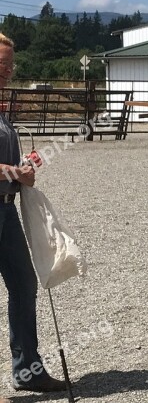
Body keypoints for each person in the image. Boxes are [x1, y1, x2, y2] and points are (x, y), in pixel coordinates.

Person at [0, 33, 66, 398]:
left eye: (11, 65)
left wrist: (22, 167)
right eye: (2, 65)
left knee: (24, 286)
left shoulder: (2, 111)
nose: (8, 72)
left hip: (6, 211)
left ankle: (27, 370)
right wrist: (15, 172)